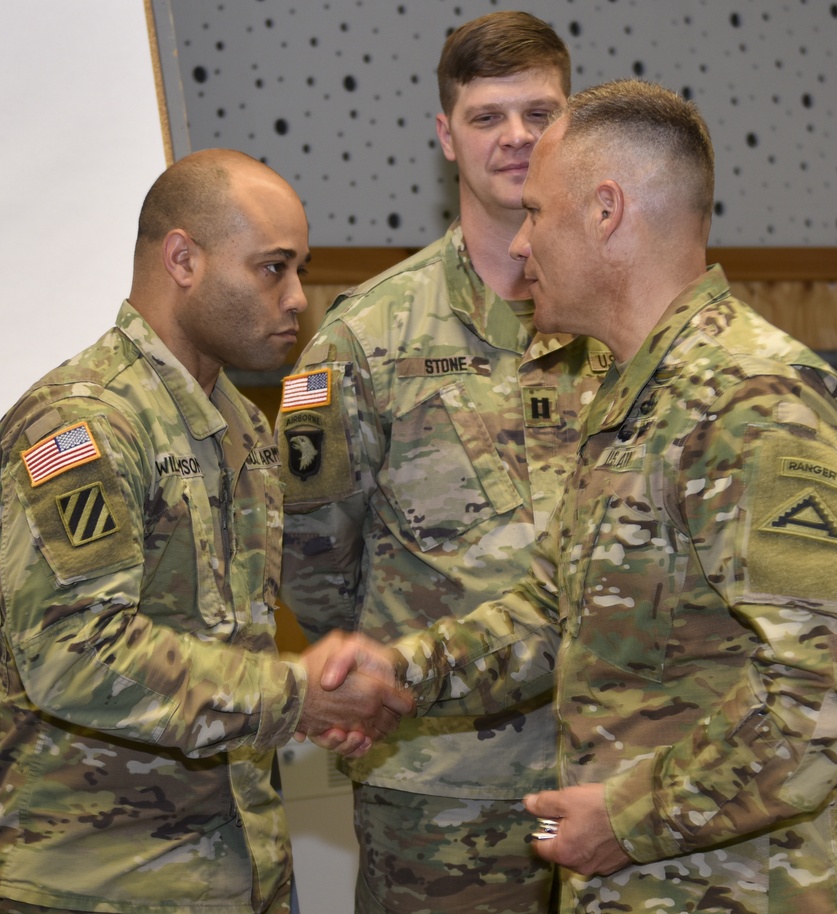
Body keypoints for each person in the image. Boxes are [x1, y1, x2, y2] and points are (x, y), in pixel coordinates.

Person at [333, 79, 837, 913]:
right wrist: (403, 675)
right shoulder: (629, 392)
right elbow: (561, 605)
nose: (522, 245)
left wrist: (632, 819)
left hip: (740, 888)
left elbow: (835, 673)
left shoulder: (753, 404)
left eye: (537, 212)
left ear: (606, 212)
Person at [0, 149, 410, 914]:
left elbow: (228, 649)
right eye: (273, 268)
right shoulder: (85, 423)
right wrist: (294, 698)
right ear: (183, 259)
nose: (298, 298)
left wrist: (315, 693)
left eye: (300, 269)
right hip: (96, 885)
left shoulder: (242, 428)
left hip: (240, 872)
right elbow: (74, 653)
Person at [275, 11, 612, 914]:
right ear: (445, 136)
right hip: (443, 785)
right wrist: (386, 682)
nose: (516, 138)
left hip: (618, 776)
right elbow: (311, 565)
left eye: (539, 113)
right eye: (487, 116)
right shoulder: (366, 336)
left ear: (572, 126)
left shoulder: (625, 323)